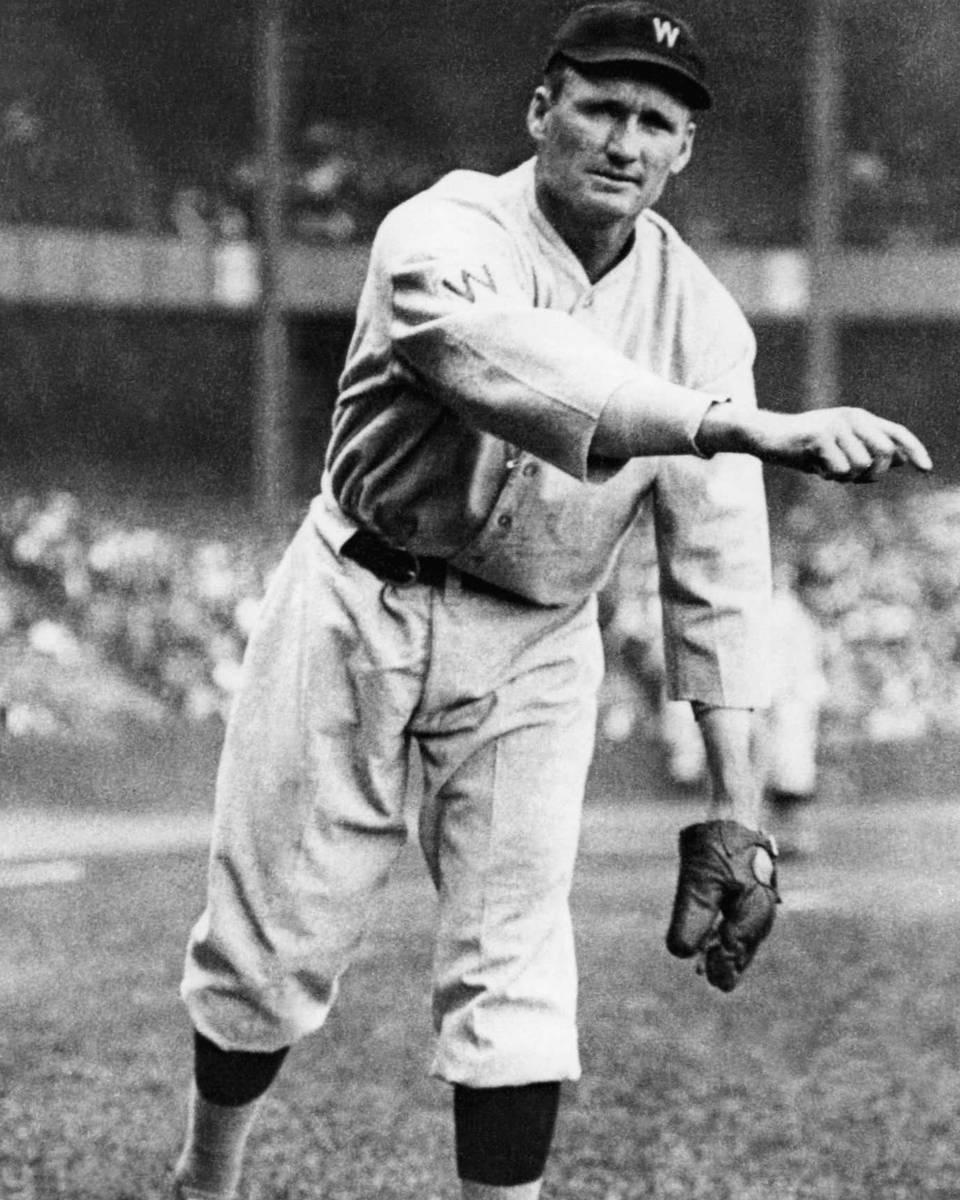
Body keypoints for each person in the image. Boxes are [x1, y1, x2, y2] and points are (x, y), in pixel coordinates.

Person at [172, 5, 932, 1198]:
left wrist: (739, 811)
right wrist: (738, 426)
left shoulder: (703, 318)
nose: (626, 140)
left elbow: (717, 575)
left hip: (534, 639)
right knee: (270, 947)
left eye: (658, 122)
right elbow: (507, 363)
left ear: (684, 152)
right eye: (602, 107)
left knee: (517, 970)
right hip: (355, 600)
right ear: (542, 111)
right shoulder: (441, 229)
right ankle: (204, 1179)